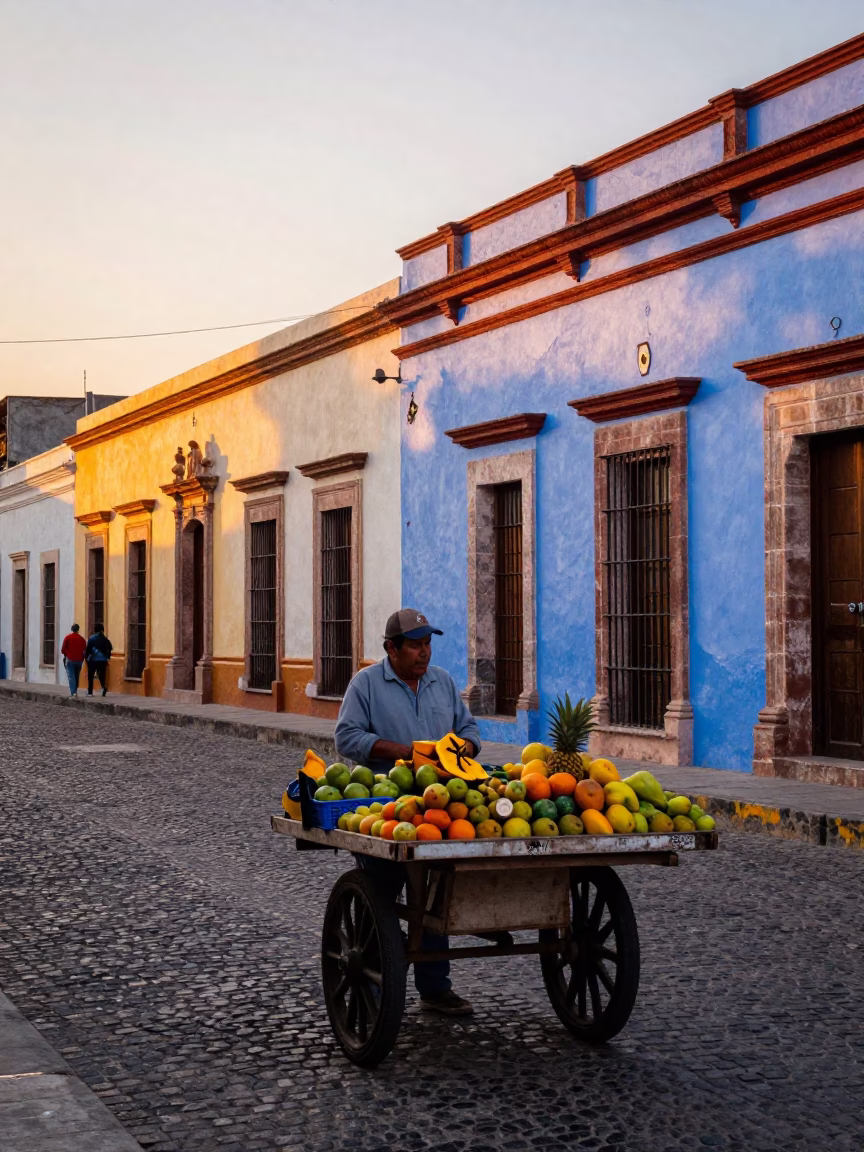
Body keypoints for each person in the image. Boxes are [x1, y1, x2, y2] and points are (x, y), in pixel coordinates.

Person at [334, 608, 481, 1017]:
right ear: (391, 649)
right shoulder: (365, 684)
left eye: (427, 644)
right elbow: (346, 736)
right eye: (415, 645)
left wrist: (463, 750)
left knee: (433, 898)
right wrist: (402, 751)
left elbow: (468, 730)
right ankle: (376, 977)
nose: (424, 653)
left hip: (440, 808)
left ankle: (435, 988)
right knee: (380, 894)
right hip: (384, 809)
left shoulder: (444, 682)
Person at [84, 623, 113, 696]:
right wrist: (107, 658)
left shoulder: (92, 638)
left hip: (93, 660)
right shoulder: (106, 639)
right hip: (103, 660)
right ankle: (103, 687)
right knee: (102, 675)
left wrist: (87, 658)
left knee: (91, 675)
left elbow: (88, 649)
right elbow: (110, 648)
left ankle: (90, 692)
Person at [60, 623, 87, 697]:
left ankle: (73, 692)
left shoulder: (68, 638)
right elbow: (84, 650)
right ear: (78, 629)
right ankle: (75, 690)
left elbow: (63, 650)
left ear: (72, 629)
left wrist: (67, 653)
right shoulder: (82, 639)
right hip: (79, 660)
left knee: (71, 676)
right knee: (76, 675)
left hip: (70, 659)